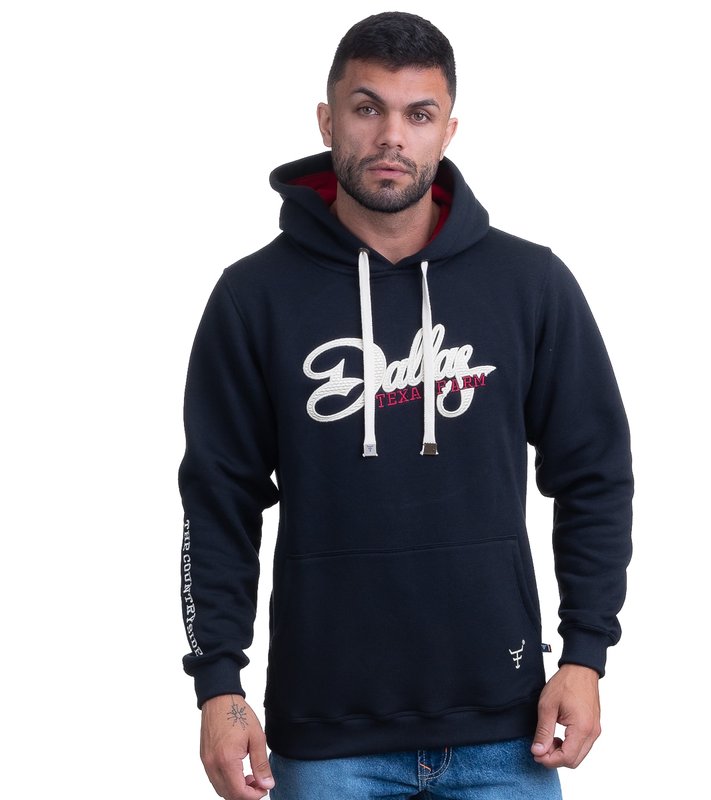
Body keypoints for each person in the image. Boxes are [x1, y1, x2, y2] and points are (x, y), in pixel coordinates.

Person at [179, 11, 633, 800]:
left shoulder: (528, 285)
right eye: (368, 108)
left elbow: (595, 473)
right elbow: (218, 501)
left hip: (508, 732)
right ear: (328, 121)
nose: (392, 136)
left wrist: (585, 656)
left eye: (419, 114)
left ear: (448, 130)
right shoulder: (254, 298)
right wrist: (219, 685)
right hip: (327, 741)